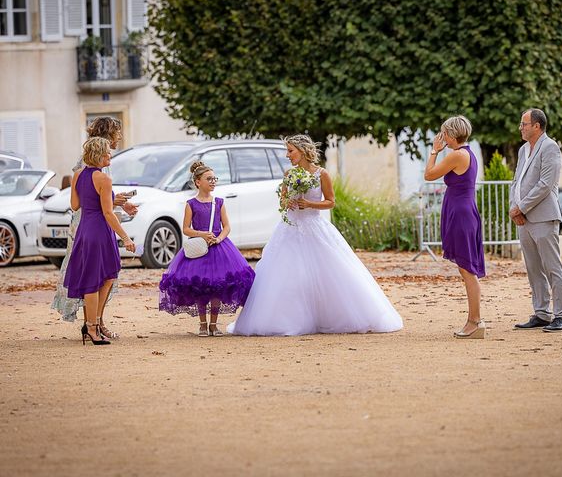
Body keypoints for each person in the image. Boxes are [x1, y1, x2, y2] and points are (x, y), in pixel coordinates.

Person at [227, 134, 403, 336]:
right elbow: (282, 201)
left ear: (302, 151)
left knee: (329, 272)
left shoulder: (322, 174)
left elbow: (330, 201)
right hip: (290, 229)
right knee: (287, 274)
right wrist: (289, 202)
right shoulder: (289, 174)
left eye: (290, 151)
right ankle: (287, 319)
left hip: (314, 226)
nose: (287, 155)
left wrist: (309, 204)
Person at [52, 117, 137, 339]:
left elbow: (75, 204)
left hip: (85, 227)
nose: (119, 139)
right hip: (99, 228)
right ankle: (93, 325)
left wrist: (120, 202)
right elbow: (105, 207)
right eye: (117, 134)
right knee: (98, 276)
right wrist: (126, 237)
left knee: (97, 276)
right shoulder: (101, 173)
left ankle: (94, 323)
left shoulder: (80, 172)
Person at [159, 162, 255, 336]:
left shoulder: (219, 203)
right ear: (198, 182)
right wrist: (202, 234)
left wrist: (218, 238)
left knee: (217, 284)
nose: (213, 182)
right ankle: (202, 324)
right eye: (208, 179)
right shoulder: (191, 204)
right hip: (199, 248)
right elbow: (186, 228)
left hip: (219, 248)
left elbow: (226, 226)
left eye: (214, 179)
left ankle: (214, 324)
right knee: (200, 285)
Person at [424, 116, 486, 339]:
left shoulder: (458, 154)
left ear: (450, 134)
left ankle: (475, 321)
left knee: (467, 269)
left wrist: (434, 151)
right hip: (462, 211)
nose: (443, 139)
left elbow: (429, 175)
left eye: (444, 134)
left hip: (461, 214)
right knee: (465, 268)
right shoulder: (467, 153)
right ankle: (474, 321)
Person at [510, 109, 562, 332]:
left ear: (537, 126)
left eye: (524, 124)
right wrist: (513, 208)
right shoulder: (524, 149)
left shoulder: (550, 147)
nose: (521, 127)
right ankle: (542, 313)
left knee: (552, 267)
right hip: (523, 220)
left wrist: (521, 208)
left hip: (544, 216)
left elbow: (546, 184)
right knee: (533, 268)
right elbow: (516, 181)